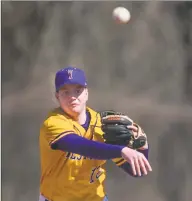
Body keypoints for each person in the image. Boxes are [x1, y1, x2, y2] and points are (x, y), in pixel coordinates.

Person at [39, 66, 152, 201]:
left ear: (87, 93)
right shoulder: (53, 123)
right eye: (65, 92)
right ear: (57, 96)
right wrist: (121, 150)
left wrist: (142, 147)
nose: (73, 97)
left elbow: (137, 171)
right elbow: (80, 146)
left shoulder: (102, 124)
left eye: (78, 90)